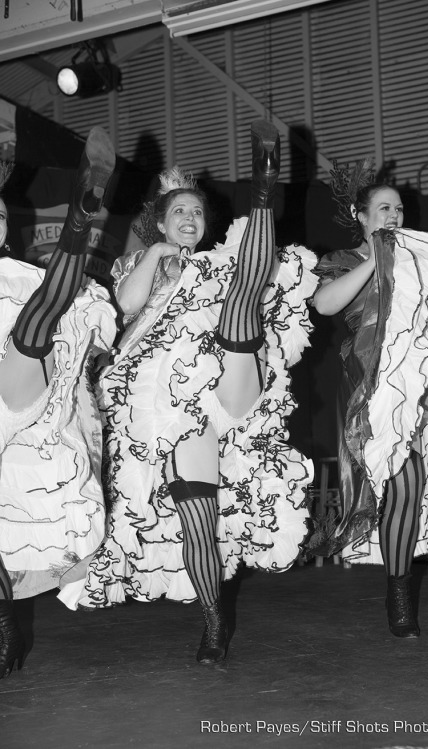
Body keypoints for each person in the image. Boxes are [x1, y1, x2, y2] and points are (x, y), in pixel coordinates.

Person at [63, 120, 317, 664]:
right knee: (198, 520)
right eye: (179, 211)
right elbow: (125, 308)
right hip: (174, 405)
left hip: (231, 375)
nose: (190, 218)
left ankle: (264, 186)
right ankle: (213, 620)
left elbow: (265, 279)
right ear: (160, 219)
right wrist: (156, 255)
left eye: (197, 212)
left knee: (243, 305)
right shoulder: (142, 261)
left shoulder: (223, 260)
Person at [313, 162, 428, 638]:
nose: (393, 215)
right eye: (383, 209)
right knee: (406, 486)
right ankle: (398, 590)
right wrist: (379, 258)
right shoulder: (343, 260)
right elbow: (325, 304)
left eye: (398, 209)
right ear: (361, 216)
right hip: (377, 387)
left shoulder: (422, 254)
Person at [0, 127, 116, 678]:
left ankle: (81, 214)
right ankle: (4, 621)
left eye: (1, 218)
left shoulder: (18, 278)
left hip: (16, 388)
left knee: (40, 316)